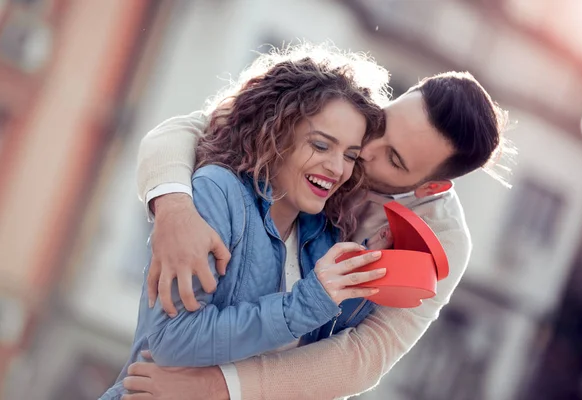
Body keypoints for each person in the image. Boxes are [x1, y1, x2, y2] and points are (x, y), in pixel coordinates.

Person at [123, 52, 511, 399]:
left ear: (431, 186)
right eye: (383, 124)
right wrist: (174, 208)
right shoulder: (341, 116)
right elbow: (189, 130)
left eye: (393, 159)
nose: (362, 152)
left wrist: (218, 388)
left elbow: (365, 356)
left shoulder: (444, 241)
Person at [101, 45, 391, 399]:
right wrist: (305, 303)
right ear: (277, 132)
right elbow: (171, 340)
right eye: (320, 145)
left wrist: (369, 273)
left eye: (349, 155)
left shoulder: (323, 235)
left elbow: (314, 358)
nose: (337, 168)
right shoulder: (218, 192)